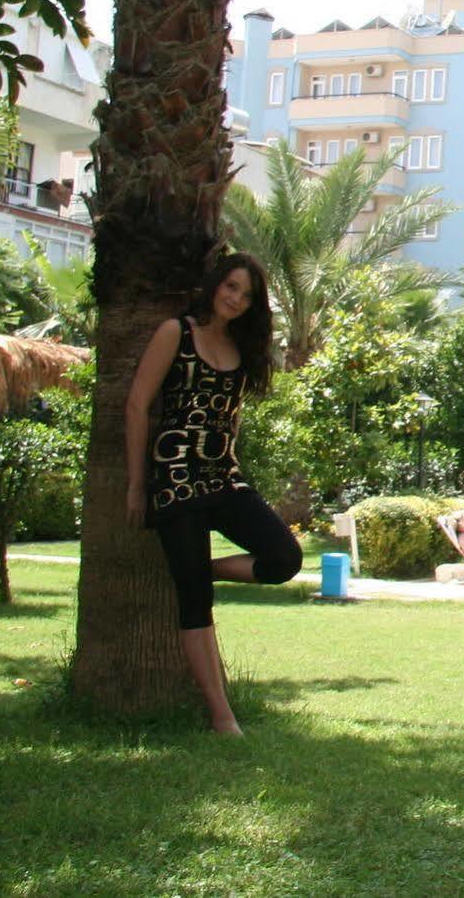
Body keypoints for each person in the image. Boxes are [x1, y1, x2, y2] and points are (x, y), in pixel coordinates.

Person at [125, 253, 301, 736]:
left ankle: (197, 571)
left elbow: (233, 413)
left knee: (284, 558)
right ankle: (222, 715)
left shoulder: (243, 346)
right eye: (230, 287)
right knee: (195, 605)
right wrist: (138, 485)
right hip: (175, 474)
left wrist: (233, 461)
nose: (236, 300)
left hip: (222, 475)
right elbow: (139, 404)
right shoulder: (175, 333)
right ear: (213, 285)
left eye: (246, 295)